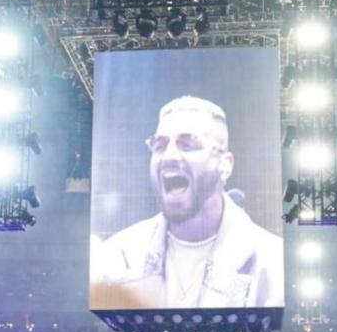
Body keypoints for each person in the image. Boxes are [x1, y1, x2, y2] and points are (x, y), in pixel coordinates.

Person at [90, 95, 284, 309]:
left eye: (188, 145)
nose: (169, 156)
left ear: (225, 165)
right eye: (160, 145)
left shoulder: (270, 260)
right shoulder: (117, 256)